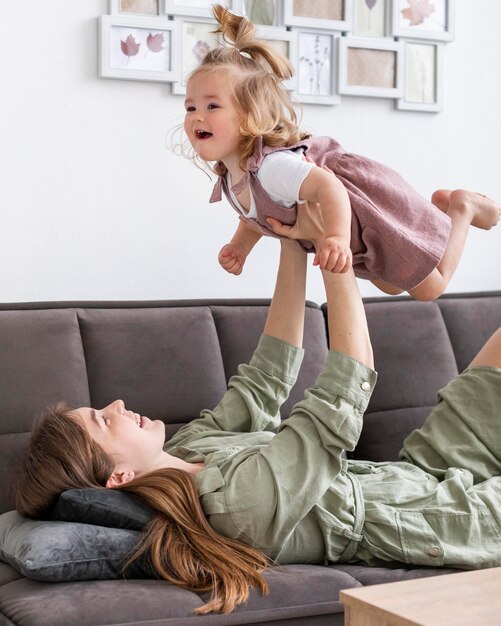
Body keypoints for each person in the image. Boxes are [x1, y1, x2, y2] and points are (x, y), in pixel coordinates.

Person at [15, 202, 501, 615]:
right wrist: (336, 251)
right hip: (442, 517)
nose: (118, 404)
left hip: (422, 471)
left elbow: (267, 375)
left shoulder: (189, 447)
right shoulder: (235, 508)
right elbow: (341, 393)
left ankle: (461, 209)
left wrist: (291, 240)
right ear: (118, 478)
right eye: (104, 419)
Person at [181, 5, 500, 300]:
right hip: (356, 238)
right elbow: (254, 216)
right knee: (391, 286)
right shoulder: (232, 176)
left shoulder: (273, 167)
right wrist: (240, 247)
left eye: (212, 106)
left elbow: (328, 186)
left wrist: (333, 236)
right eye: (191, 106)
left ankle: (461, 207)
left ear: (250, 116)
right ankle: (438, 212)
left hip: (366, 214)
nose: (197, 116)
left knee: (430, 288)